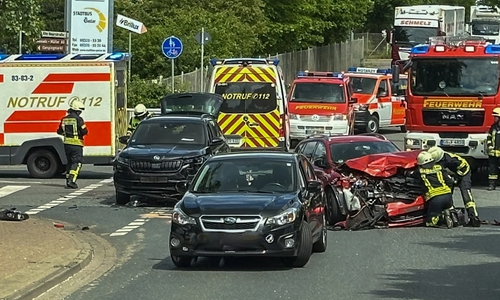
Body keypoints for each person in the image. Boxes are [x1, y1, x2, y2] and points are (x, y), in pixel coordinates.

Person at [427, 146, 481, 227]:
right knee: (446, 192)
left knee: (466, 193)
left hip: (464, 173)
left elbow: (464, 168)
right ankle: (451, 215)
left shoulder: (451, 159)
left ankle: (473, 218)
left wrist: (456, 178)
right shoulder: (439, 158)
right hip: (453, 173)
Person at [410, 151, 454, 229]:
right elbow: (450, 181)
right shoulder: (440, 168)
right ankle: (448, 212)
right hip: (448, 195)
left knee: (430, 222)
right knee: (446, 206)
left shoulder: (419, 172)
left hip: (435, 198)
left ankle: (440, 218)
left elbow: (410, 175)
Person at [57, 100, 88, 189]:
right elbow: (84, 131)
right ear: (77, 110)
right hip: (77, 144)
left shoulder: (64, 119)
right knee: (77, 162)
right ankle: (72, 180)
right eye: (80, 111)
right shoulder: (79, 119)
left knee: (69, 162)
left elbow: (59, 131)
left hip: (67, 144)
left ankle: (68, 179)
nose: (80, 112)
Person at [486, 107, 500, 190]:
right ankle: (492, 185)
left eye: (496, 117)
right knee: (492, 170)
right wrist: (489, 145)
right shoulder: (493, 127)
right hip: (493, 153)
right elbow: (489, 137)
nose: (494, 118)